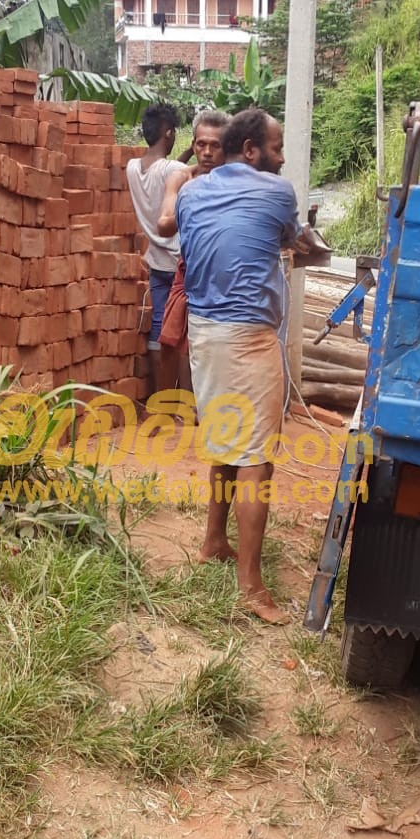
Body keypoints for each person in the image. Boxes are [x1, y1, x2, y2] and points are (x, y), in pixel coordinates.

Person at [176, 108, 316, 625]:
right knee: (257, 458)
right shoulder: (278, 192)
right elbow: (286, 237)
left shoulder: (191, 192)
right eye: (277, 148)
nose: (282, 158)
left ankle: (214, 540)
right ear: (252, 149)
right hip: (249, 338)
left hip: (204, 334)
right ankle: (251, 586)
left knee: (224, 442)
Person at [155, 110, 230, 374]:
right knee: (169, 340)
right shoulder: (182, 179)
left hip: (225, 274)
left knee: (212, 348)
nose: (207, 152)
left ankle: (203, 411)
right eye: (201, 144)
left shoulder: (237, 183)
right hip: (187, 269)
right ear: (193, 145)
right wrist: (193, 202)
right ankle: (164, 410)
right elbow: (164, 224)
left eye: (215, 145)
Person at [125, 104, 189, 395]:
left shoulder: (132, 168)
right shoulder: (173, 170)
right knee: (184, 330)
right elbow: (180, 175)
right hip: (179, 262)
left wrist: (185, 157)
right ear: (169, 133)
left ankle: (159, 396)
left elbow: (170, 172)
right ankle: (188, 399)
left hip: (155, 260)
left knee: (159, 326)